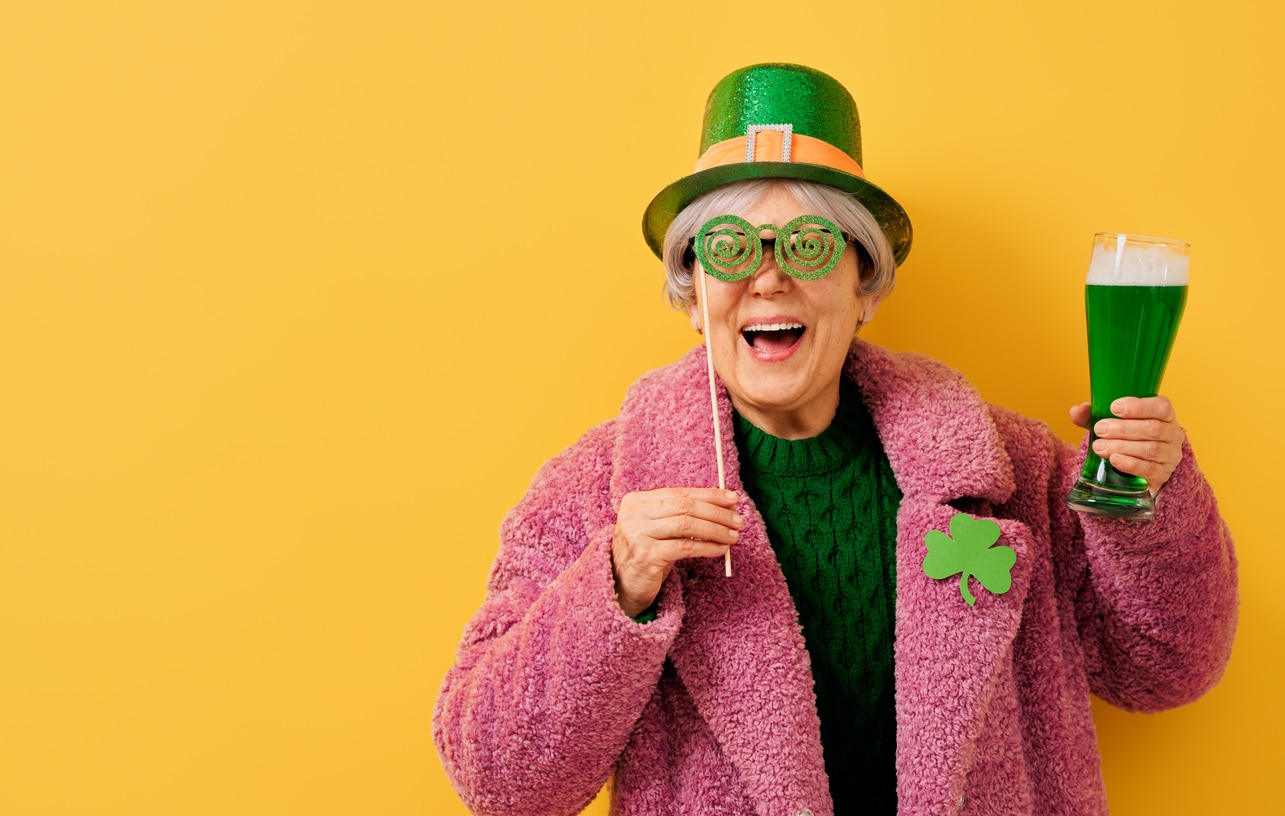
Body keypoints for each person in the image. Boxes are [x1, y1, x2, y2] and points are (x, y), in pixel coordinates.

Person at [433, 63, 1237, 816]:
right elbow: (501, 780)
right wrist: (618, 583)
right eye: (730, 249)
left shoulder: (1011, 470)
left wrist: (1142, 504)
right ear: (691, 297)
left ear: (864, 288)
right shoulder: (596, 491)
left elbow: (1162, 670)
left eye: (808, 245)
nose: (769, 278)